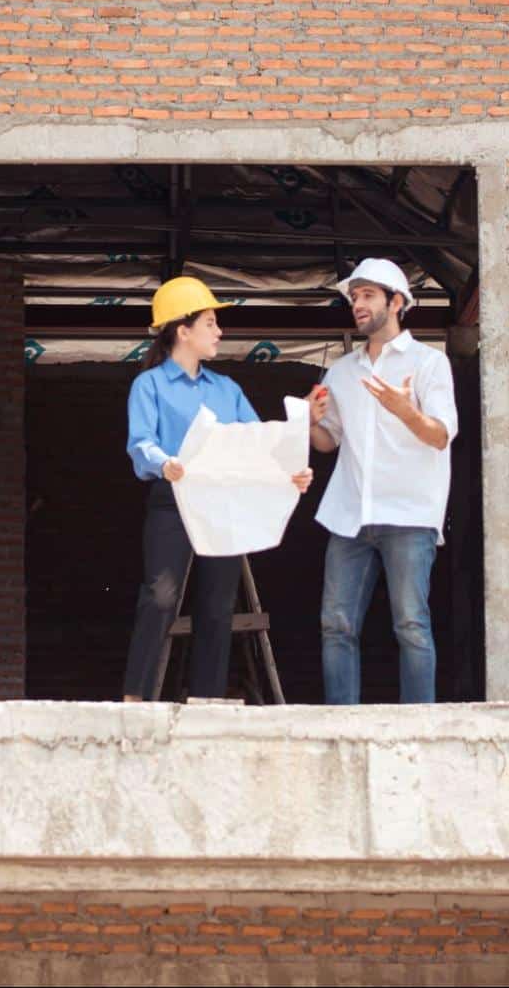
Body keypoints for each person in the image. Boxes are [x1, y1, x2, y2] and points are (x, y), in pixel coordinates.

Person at [122, 276, 314, 702]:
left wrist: (289, 473)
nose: (219, 332)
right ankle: (135, 697)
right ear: (182, 329)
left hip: (221, 503)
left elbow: (257, 443)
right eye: (210, 323)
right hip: (172, 500)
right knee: (160, 596)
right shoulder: (149, 385)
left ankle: (207, 699)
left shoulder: (227, 390)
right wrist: (165, 463)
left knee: (218, 605)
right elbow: (140, 443)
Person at [307, 258, 456, 705]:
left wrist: (406, 411)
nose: (358, 304)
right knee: (336, 624)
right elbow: (327, 443)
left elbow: (441, 434)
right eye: (355, 296)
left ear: (396, 302)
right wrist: (308, 423)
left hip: (409, 514)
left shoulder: (430, 364)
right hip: (350, 514)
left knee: (411, 624)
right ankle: (341, 722)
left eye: (368, 295)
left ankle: (418, 724)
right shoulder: (342, 372)